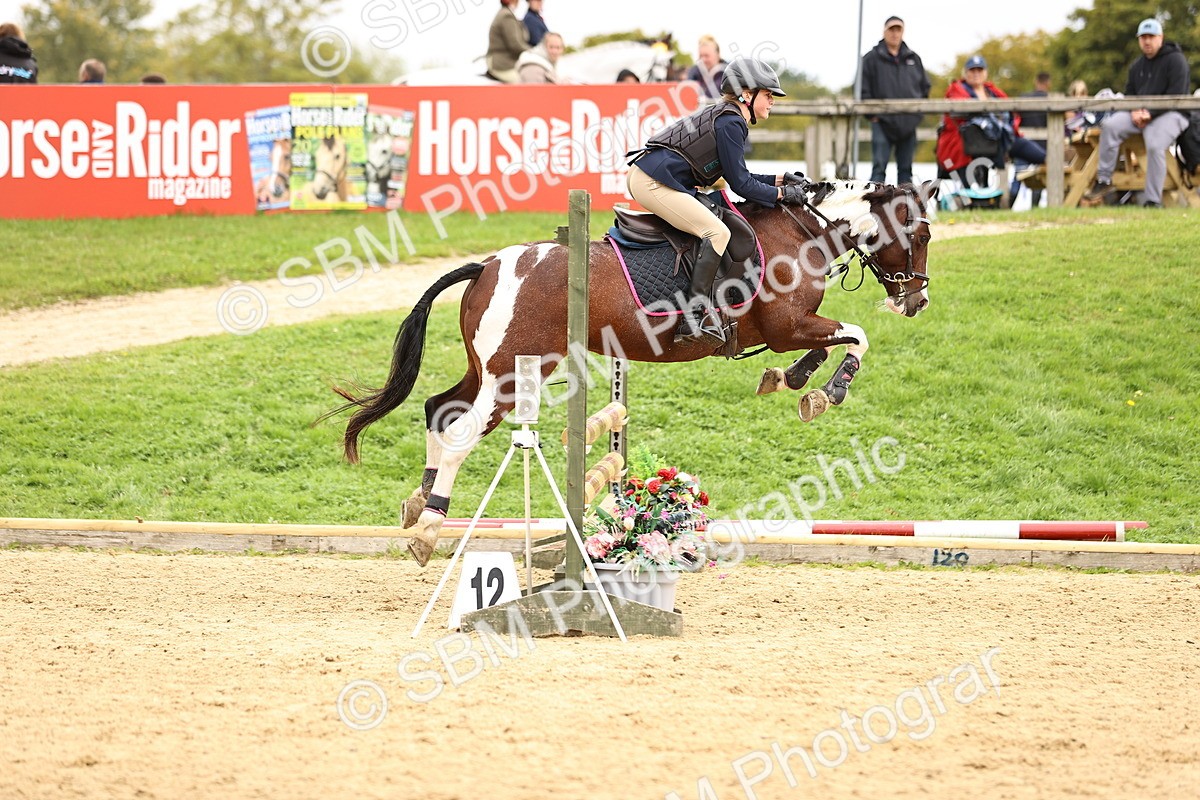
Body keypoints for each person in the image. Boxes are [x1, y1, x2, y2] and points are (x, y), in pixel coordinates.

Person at [626, 58, 806, 346]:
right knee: (717, 232)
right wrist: (782, 196)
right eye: (769, 94)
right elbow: (741, 185)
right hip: (651, 181)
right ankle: (692, 316)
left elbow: (739, 174)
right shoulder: (731, 122)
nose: (773, 101)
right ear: (748, 95)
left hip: (655, 176)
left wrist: (780, 179)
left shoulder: (729, 117)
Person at [1082, 19, 1191, 208]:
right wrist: (1133, 111)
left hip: (1173, 113)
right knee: (1111, 126)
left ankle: (1152, 200)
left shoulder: (1176, 60)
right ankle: (1105, 180)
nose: (1147, 41)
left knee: (1155, 143)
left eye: (1151, 37)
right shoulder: (1137, 65)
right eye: (1143, 37)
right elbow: (1129, 94)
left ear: (1160, 38)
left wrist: (1149, 113)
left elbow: (1177, 95)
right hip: (1140, 114)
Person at [936, 55, 1045, 192]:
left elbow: (1010, 110)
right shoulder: (956, 89)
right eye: (972, 70)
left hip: (998, 140)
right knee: (972, 187)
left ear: (985, 72)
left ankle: (1051, 170)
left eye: (979, 70)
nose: (976, 74)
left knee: (1039, 155)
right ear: (965, 73)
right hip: (969, 144)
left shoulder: (993, 92)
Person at [860, 16, 930, 186]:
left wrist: (916, 115)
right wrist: (873, 115)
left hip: (908, 123)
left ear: (902, 32)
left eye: (898, 29)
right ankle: (875, 209)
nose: (895, 33)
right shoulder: (871, 58)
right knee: (878, 169)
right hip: (882, 122)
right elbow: (863, 89)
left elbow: (925, 88)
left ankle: (905, 209)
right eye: (891, 29)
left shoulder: (914, 58)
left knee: (906, 170)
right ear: (884, 32)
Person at [1010, 71, 1051, 208]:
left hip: (1024, 146)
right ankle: (1034, 207)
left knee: (1017, 177)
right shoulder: (1051, 99)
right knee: (1039, 181)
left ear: (1036, 81)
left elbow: (1015, 120)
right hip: (1042, 148)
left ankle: (1008, 206)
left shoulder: (1023, 98)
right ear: (1048, 83)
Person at [485, 0, 528, 84]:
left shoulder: (505, 13)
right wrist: (532, 51)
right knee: (523, 84)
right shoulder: (506, 16)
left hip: (503, 62)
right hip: (502, 64)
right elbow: (515, 45)